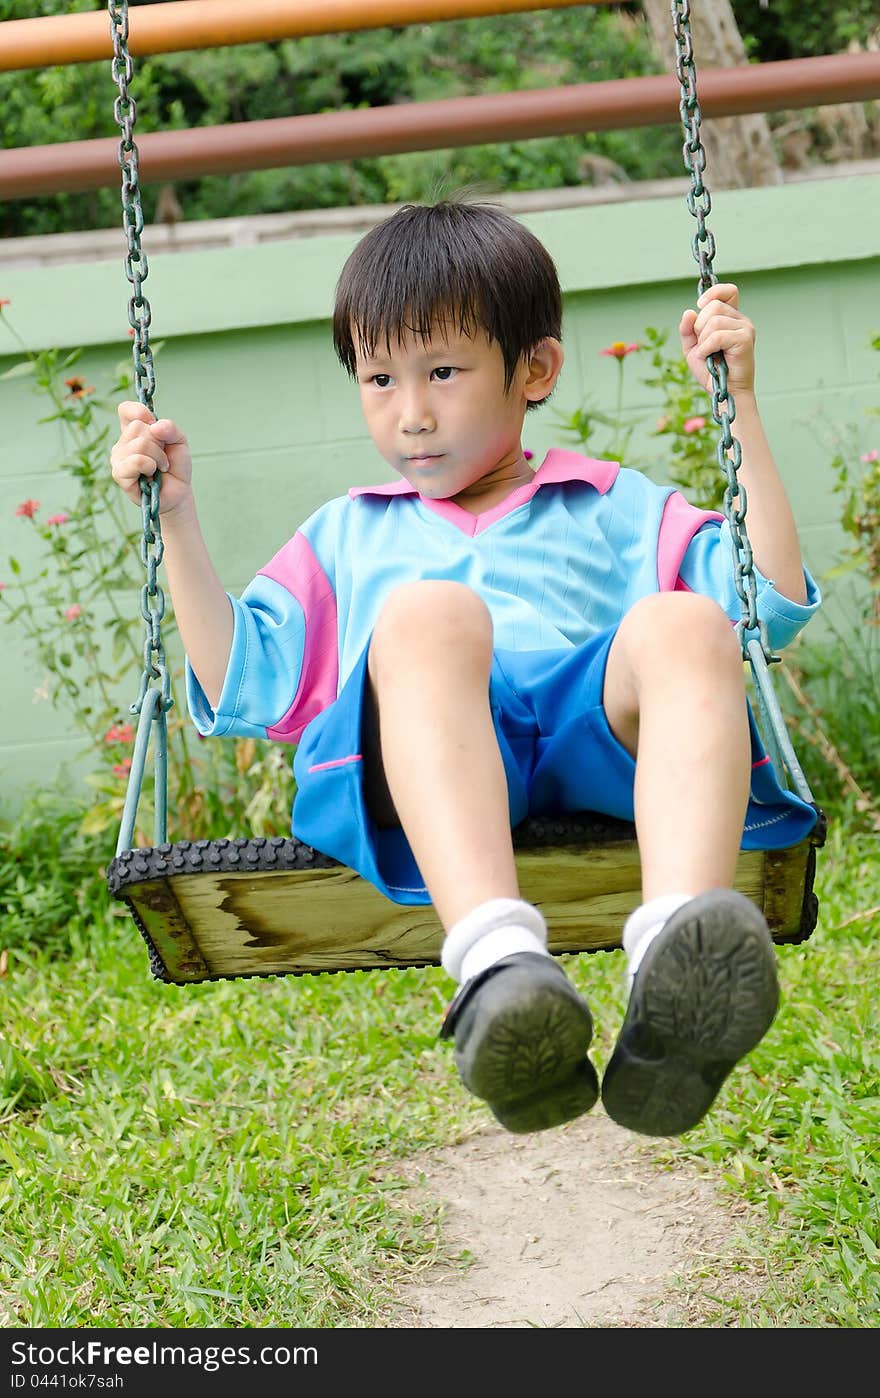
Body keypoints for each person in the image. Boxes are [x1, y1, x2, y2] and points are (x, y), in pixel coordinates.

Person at [110, 197, 821, 1139]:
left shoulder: (614, 505)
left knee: (688, 621)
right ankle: (498, 968)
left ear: (536, 369)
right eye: (378, 380)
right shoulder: (348, 534)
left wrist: (742, 411)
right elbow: (247, 679)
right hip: (421, 764)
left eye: (443, 372)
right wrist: (174, 521)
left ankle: (678, 956)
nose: (411, 414)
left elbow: (761, 608)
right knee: (429, 614)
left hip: (589, 734)